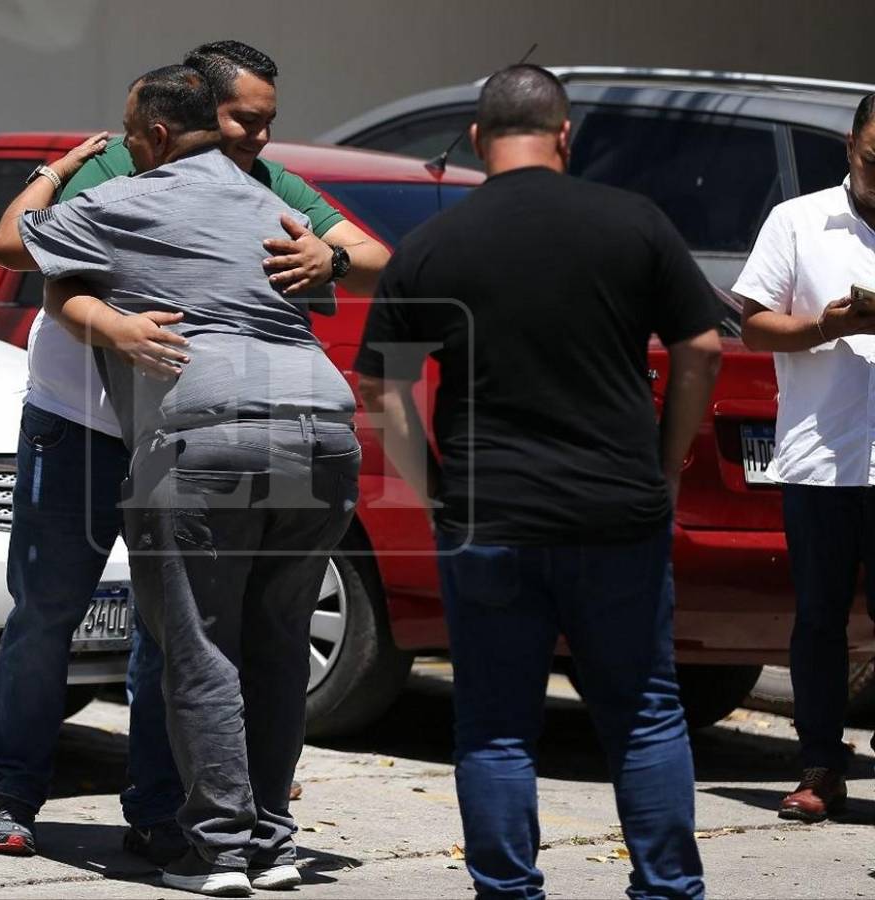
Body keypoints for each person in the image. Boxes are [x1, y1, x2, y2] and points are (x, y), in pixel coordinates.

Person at [0, 39, 388, 864]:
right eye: (244, 119)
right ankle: (13, 796)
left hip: (184, 434)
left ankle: (162, 811)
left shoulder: (268, 184)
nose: (258, 138)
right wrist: (111, 321)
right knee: (48, 613)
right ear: (194, 112)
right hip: (81, 421)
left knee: (170, 632)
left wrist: (331, 256)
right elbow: (36, 263)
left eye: (269, 122)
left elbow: (379, 260)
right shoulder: (119, 164)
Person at [353, 65, 721, 899]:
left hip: (488, 518)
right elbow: (700, 351)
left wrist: (434, 491)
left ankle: (509, 891)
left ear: (476, 140)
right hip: (617, 513)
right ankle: (668, 889)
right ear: (564, 134)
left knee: (495, 727)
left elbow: (380, 385)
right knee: (645, 713)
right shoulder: (634, 223)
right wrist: (663, 467)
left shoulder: (432, 245)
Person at [736, 91, 875, 822]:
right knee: (819, 618)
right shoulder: (798, 221)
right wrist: (828, 324)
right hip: (823, 459)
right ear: (850, 147)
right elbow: (754, 325)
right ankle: (820, 765)